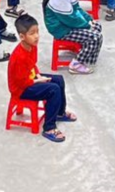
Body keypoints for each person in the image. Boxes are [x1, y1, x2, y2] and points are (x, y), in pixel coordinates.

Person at [6, 12, 74, 142]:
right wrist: (38, 80)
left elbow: (32, 65)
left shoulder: (32, 46)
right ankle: (49, 128)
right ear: (22, 36)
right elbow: (22, 83)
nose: (36, 36)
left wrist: (38, 75)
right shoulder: (19, 57)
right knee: (53, 89)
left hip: (30, 78)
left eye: (37, 32)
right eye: (32, 33)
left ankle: (59, 113)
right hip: (21, 89)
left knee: (59, 79)